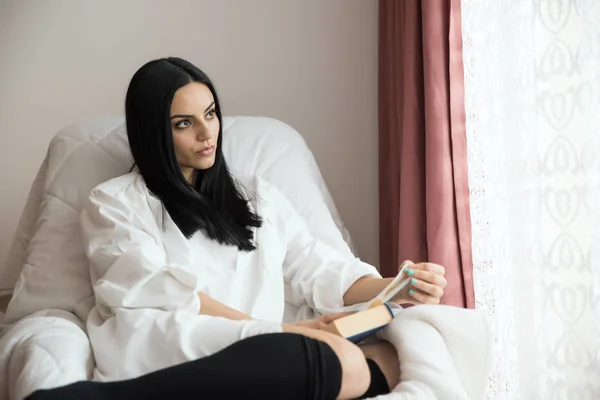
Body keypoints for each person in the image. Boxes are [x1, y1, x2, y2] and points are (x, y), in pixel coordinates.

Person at [27, 57, 447, 400]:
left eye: (210, 114)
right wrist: (272, 331)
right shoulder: (114, 202)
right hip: (173, 342)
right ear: (153, 132)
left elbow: (317, 269)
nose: (208, 133)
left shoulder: (256, 197)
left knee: (409, 346)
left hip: (262, 345)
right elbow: (155, 291)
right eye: (184, 123)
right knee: (343, 360)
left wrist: (396, 286)